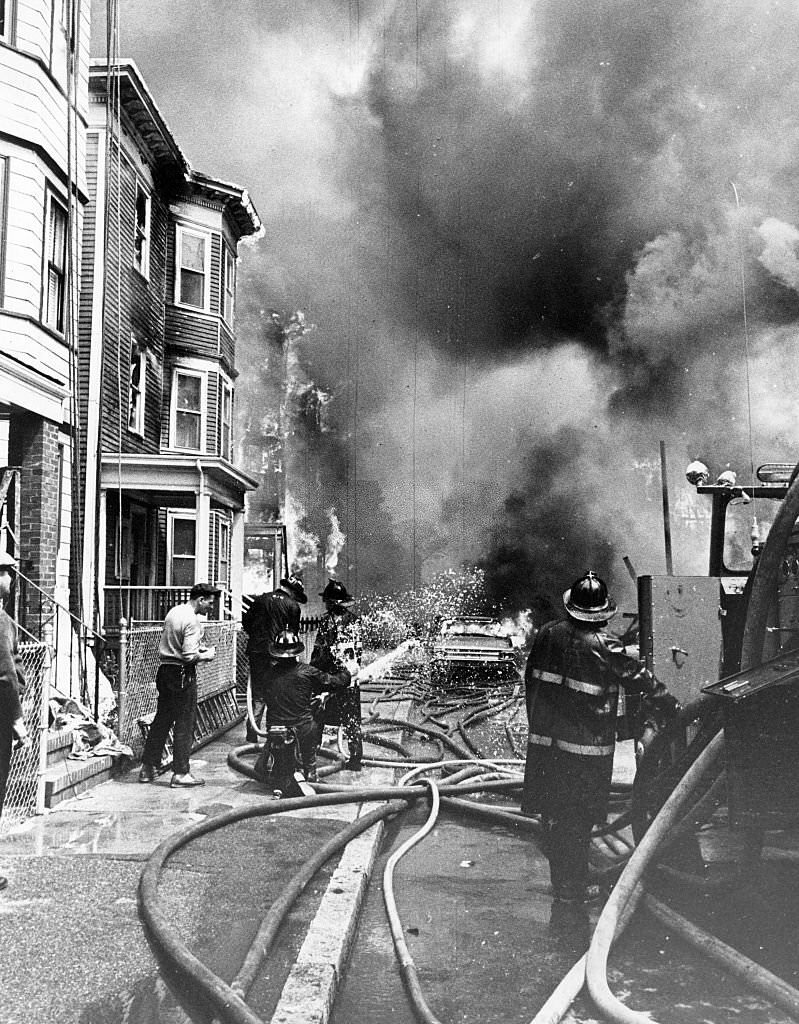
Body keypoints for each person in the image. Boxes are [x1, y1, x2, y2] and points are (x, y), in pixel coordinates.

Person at [521, 570, 678, 904]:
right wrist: (670, 703)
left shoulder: (548, 635)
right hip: (585, 753)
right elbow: (640, 679)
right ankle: (573, 891)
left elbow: (531, 682)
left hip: (546, 747)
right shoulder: (605, 645)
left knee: (555, 815)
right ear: (601, 613)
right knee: (577, 823)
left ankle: (563, 883)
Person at [138, 583, 219, 788]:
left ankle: (148, 767)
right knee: (185, 723)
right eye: (210, 603)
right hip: (182, 674)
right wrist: (207, 655)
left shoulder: (174, 612)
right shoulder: (193, 621)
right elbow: (189, 656)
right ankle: (181, 773)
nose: (211, 607)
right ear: (200, 599)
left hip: (165, 671)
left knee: (162, 719)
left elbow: (177, 642)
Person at [262, 630, 357, 783]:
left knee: (279, 757)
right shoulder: (307, 672)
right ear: (296, 652)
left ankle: (278, 768)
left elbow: (270, 698)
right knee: (314, 721)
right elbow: (334, 682)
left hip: (275, 729)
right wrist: (348, 672)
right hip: (302, 729)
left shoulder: (268, 674)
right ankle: (310, 771)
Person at [241, 574, 307, 743]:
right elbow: (292, 634)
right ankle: (276, 732)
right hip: (278, 654)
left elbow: (246, 621)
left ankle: (252, 732)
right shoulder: (292, 606)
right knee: (278, 691)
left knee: (258, 693)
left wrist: (257, 638)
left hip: (257, 652)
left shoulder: (261, 600)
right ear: (293, 591)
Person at [0, 553, 31, 891]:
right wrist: (18, 718)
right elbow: (7, 676)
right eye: (7, 572)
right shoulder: (0, 620)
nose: (12, 579)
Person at [311, 579, 364, 771]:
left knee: (317, 715)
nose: (325, 604)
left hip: (330, 679)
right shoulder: (356, 620)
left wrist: (314, 674)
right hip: (350, 679)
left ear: (332, 602)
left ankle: (311, 754)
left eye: (327, 601)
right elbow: (359, 653)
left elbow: (320, 653)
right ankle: (356, 759)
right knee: (352, 720)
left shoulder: (327, 622)